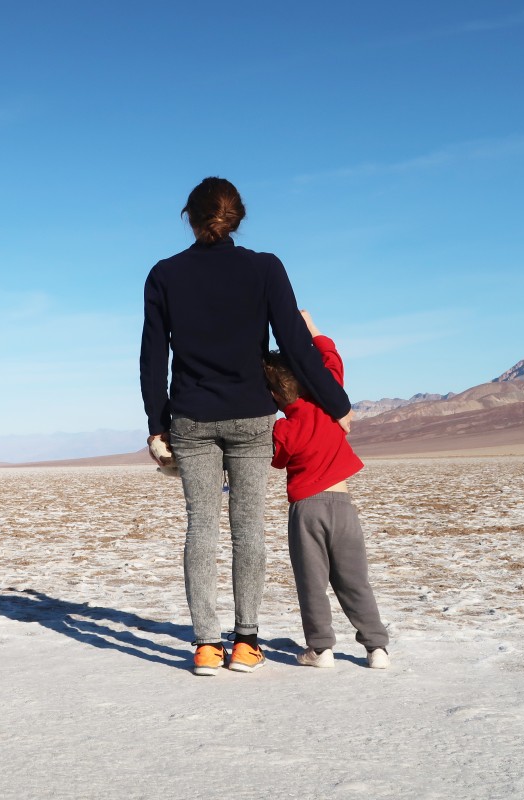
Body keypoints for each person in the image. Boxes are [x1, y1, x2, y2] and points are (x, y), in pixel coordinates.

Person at [140, 177, 354, 676]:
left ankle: (205, 646)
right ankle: (246, 642)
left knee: (201, 527)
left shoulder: (164, 274)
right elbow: (297, 343)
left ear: (189, 218)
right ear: (237, 217)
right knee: (247, 528)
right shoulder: (265, 267)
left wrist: (157, 423)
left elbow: (154, 356)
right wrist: (336, 402)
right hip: (252, 417)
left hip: (190, 418)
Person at [263, 311, 390, 669]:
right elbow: (331, 357)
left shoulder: (284, 429)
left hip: (306, 510)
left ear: (274, 395)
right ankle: (376, 647)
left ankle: (321, 649)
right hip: (343, 504)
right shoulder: (329, 405)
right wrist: (309, 326)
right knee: (354, 580)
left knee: (312, 581)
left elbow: (277, 460)